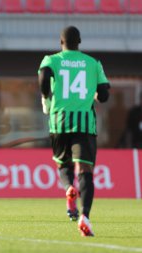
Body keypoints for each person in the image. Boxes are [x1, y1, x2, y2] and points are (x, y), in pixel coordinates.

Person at [38, 26, 110, 237]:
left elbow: (43, 77)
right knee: (85, 170)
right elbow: (104, 95)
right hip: (85, 123)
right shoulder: (93, 63)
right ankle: (85, 216)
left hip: (59, 122)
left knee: (63, 164)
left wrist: (46, 98)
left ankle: (69, 186)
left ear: (61, 42)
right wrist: (96, 96)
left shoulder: (51, 60)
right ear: (80, 42)